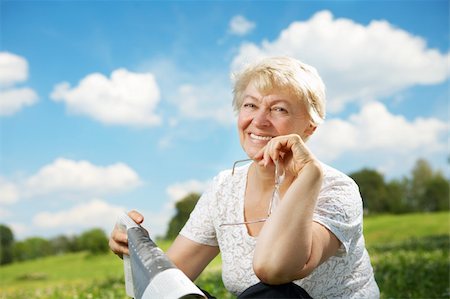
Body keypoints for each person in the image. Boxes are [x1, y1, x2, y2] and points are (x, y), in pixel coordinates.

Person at [109, 56, 380, 298]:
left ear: (310, 126)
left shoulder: (337, 189)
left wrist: (309, 175)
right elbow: (172, 281)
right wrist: (137, 252)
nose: (259, 121)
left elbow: (274, 270)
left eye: (279, 109)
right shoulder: (223, 187)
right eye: (251, 105)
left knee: (276, 295)